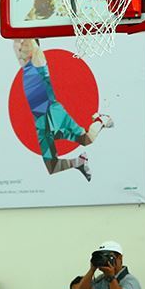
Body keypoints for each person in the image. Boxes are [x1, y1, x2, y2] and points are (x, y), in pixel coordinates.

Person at [13, 29, 113, 181]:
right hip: (40, 121)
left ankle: (101, 120)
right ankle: (79, 163)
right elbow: (15, 42)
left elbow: (30, 42)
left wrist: (29, 28)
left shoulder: (39, 61)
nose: (21, 47)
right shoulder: (25, 65)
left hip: (53, 113)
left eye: (25, 43)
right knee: (52, 167)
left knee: (87, 140)